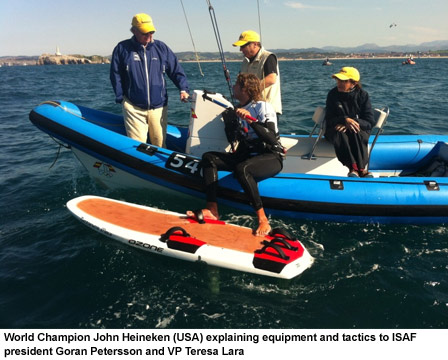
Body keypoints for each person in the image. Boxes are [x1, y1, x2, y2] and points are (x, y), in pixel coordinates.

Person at [187, 73, 284, 236]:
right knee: (209, 158)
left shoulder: (263, 107)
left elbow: (271, 138)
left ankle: (262, 219)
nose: (233, 88)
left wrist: (251, 121)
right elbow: (237, 139)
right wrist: (232, 123)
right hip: (247, 155)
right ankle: (212, 210)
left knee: (242, 169)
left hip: (271, 156)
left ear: (245, 89)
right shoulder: (238, 108)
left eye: (236, 86)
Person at [110, 13, 190, 147]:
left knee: (159, 143)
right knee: (137, 147)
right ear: (134, 31)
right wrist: (120, 97)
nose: (149, 36)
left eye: (151, 32)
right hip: (133, 107)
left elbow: (176, 70)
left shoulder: (161, 48)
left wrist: (183, 89)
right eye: (145, 33)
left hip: (159, 107)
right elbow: (115, 74)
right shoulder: (122, 48)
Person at [324, 67, 375, 177]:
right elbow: (329, 119)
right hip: (336, 128)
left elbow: (369, 122)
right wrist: (344, 120)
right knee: (340, 133)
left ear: (354, 83)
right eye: (338, 80)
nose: (339, 83)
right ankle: (353, 168)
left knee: (356, 131)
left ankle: (362, 169)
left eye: (344, 81)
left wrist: (353, 122)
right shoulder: (332, 95)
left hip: (356, 129)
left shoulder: (363, 95)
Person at [232, 30, 282, 117]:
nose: (240, 49)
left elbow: (271, 79)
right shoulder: (245, 62)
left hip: (266, 110)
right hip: (249, 109)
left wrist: (250, 91)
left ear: (255, 44)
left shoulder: (268, 57)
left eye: (243, 46)